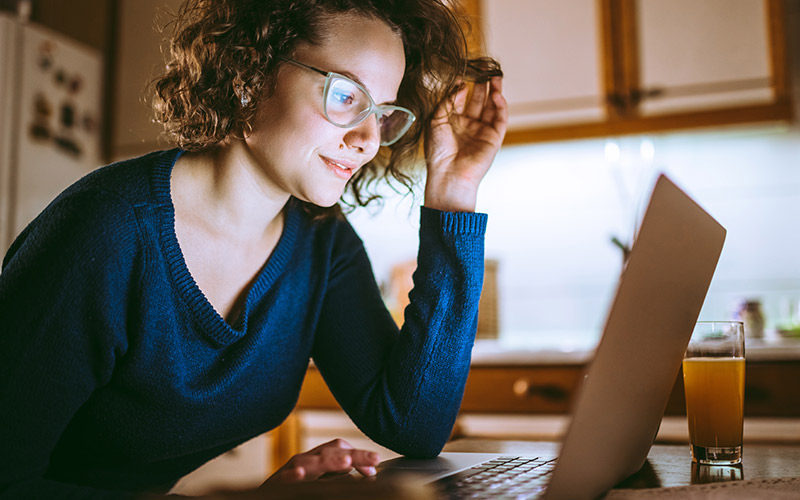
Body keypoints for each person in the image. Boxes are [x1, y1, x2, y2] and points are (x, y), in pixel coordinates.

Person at [0, 0, 507, 497]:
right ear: (249, 76)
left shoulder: (319, 240)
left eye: (383, 113)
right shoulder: (105, 233)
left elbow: (413, 425)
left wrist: (453, 193)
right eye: (347, 96)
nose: (368, 139)